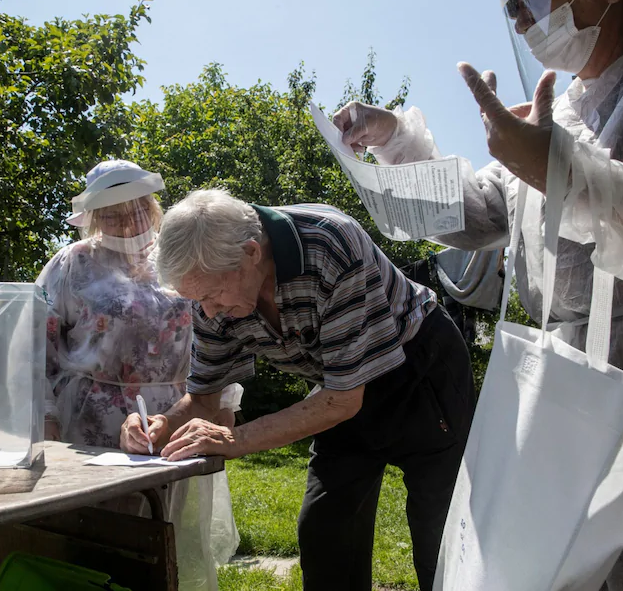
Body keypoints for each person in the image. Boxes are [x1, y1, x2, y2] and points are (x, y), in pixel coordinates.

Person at [333, 0, 623, 589]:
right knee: (575, 563)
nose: (518, 11)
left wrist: (565, 172)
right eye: (509, 1)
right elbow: (477, 212)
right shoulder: (562, 114)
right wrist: (392, 140)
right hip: (573, 379)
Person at [118, 189, 477, 591]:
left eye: (212, 296)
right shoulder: (212, 290)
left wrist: (237, 439)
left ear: (251, 253)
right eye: (197, 300)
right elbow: (203, 398)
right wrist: (160, 423)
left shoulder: (330, 243)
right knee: (325, 531)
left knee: (441, 537)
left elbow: (343, 400)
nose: (208, 313)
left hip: (420, 372)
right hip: (336, 389)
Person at [37, 160, 240, 591]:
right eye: (112, 212)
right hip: (92, 429)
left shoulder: (178, 255)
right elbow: (39, 349)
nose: (128, 221)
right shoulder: (72, 264)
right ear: (92, 217)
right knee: (99, 536)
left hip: (177, 415)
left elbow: (220, 328)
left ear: (152, 205)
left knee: (162, 532)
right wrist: (46, 417)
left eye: (137, 208)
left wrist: (225, 405)